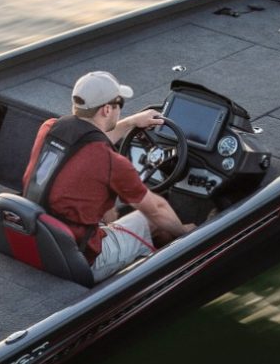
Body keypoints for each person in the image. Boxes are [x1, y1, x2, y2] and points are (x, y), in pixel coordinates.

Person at [21, 70, 192, 282]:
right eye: (120, 103)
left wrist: (131, 122)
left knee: (112, 211)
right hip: (84, 259)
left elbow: (88, 138)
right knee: (153, 221)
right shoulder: (110, 162)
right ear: (107, 109)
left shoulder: (49, 128)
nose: (120, 109)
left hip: (40, 239)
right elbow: (157, 209)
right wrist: (186, 232)